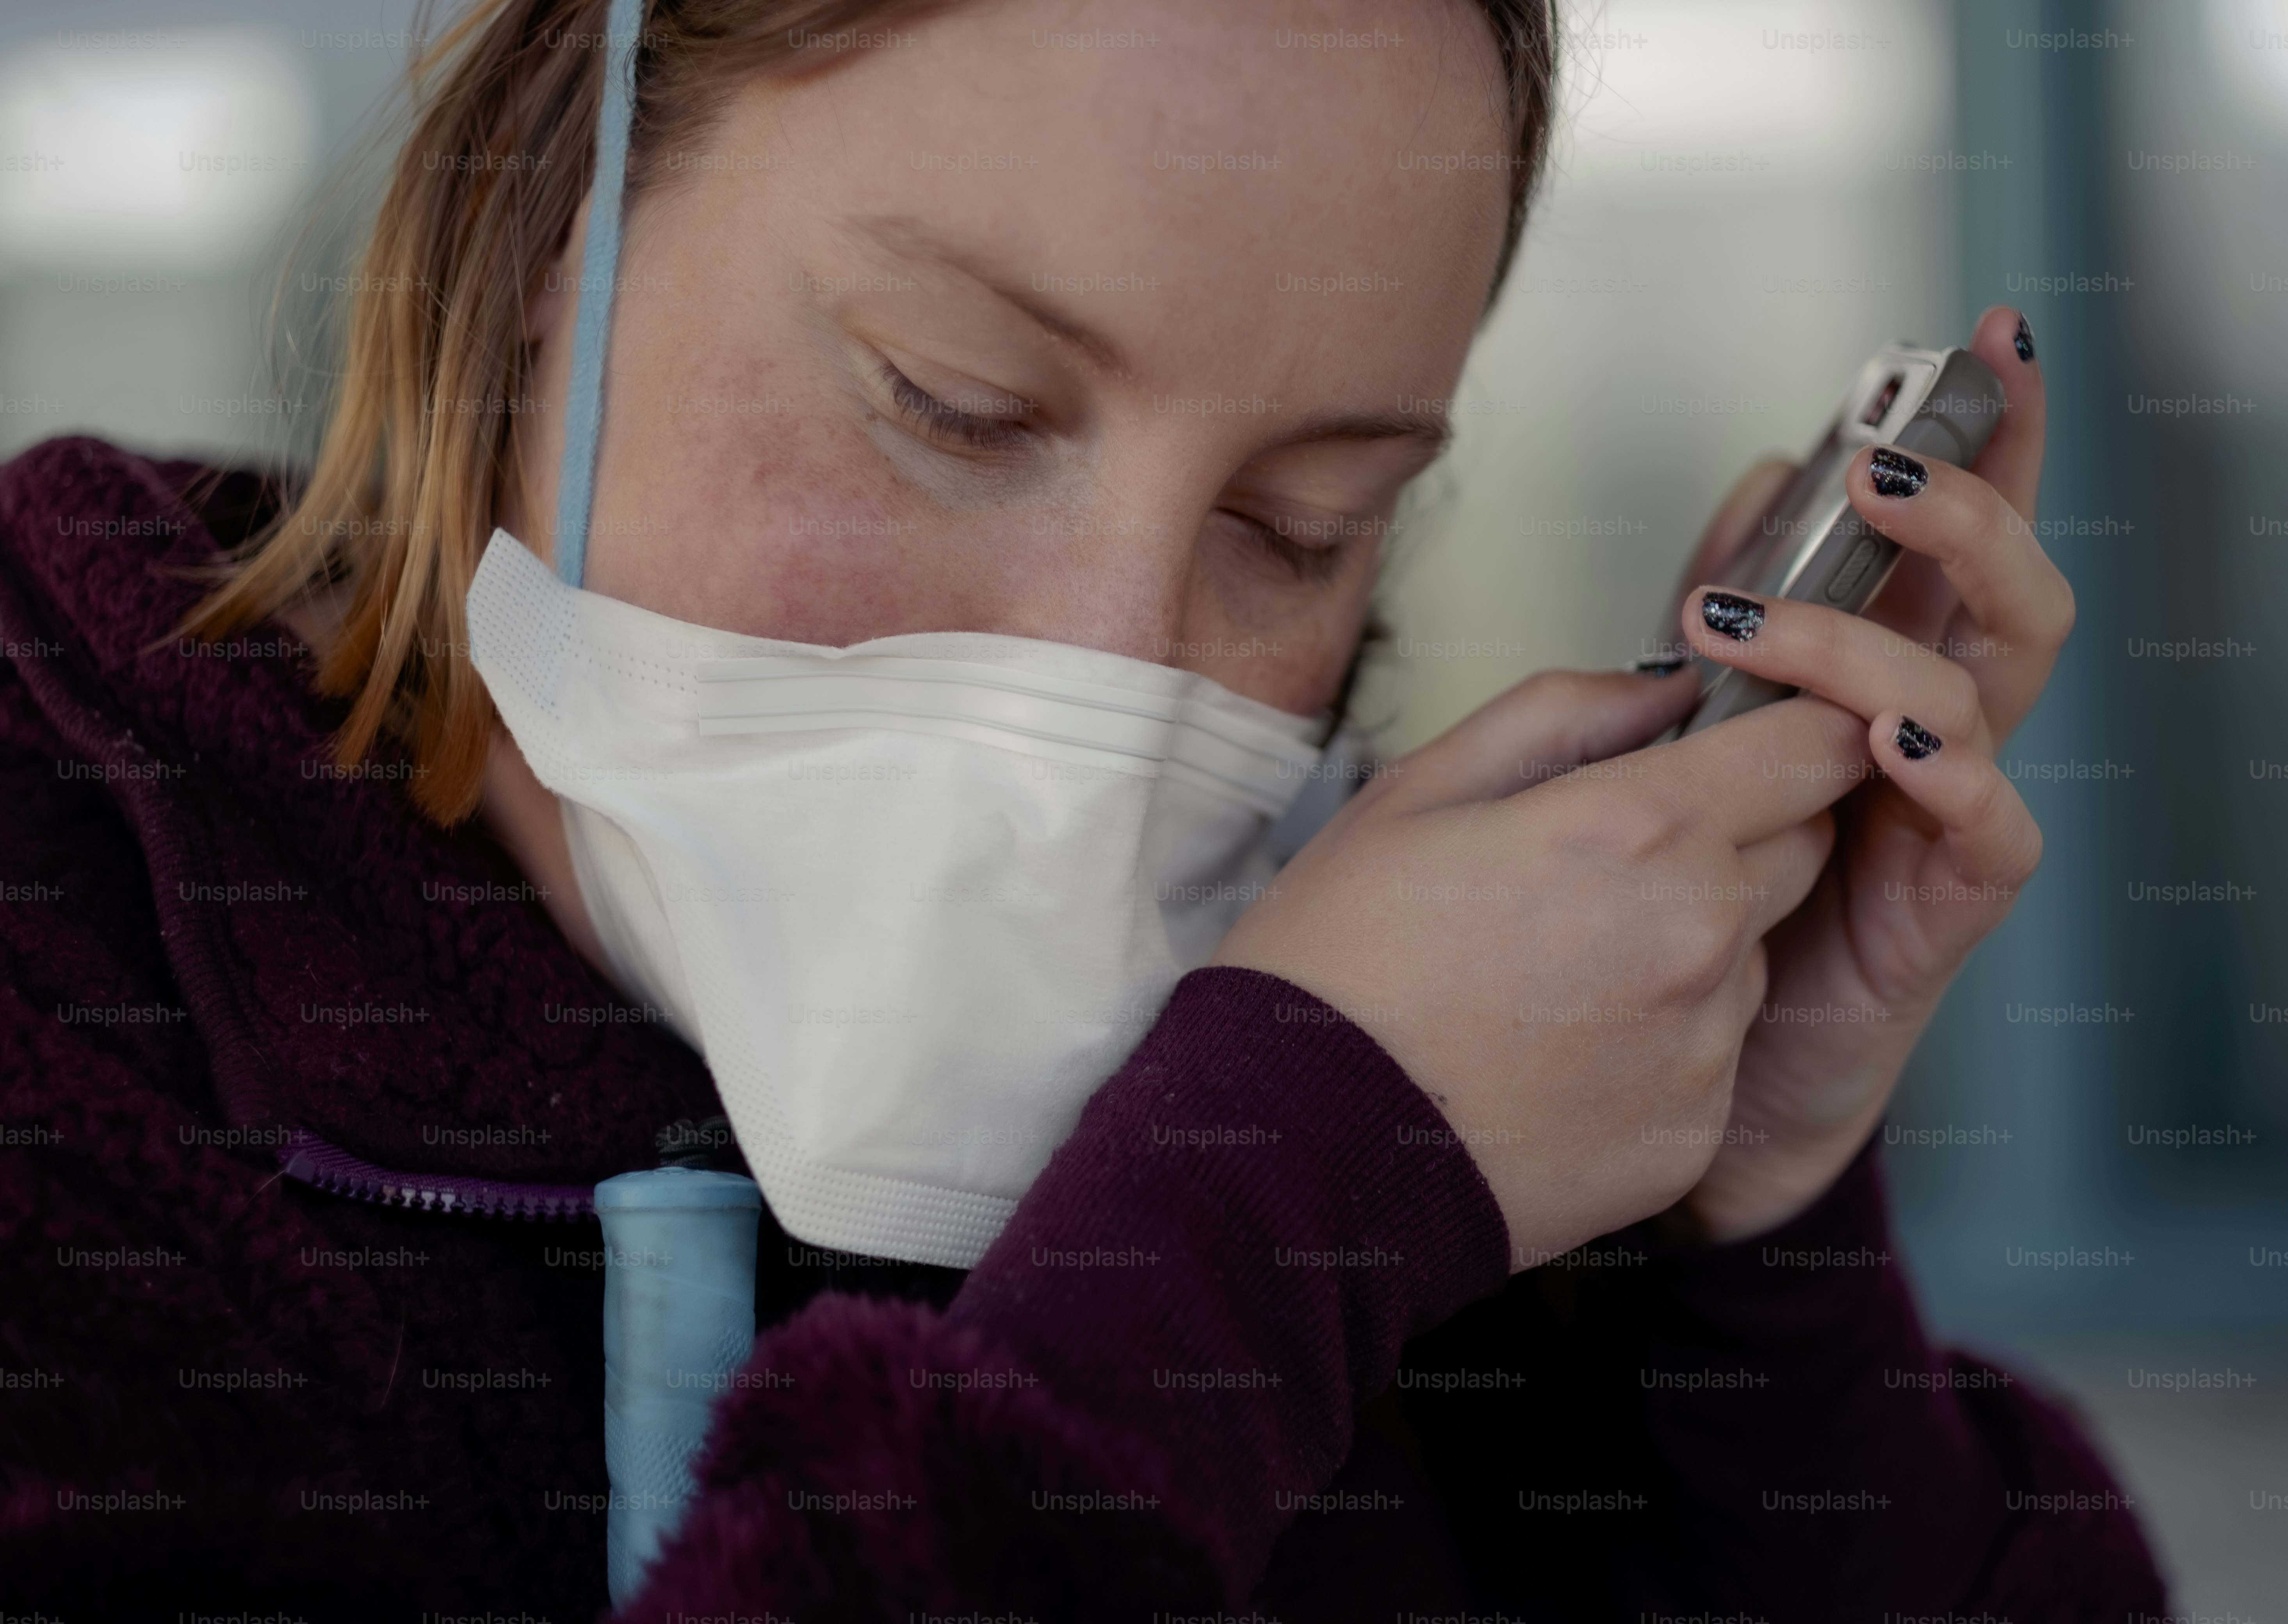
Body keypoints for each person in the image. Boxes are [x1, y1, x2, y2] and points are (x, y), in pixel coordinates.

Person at [0, 0, 2163, 1618]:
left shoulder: (1406, 1076)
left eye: (1300, 525)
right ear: (533, 246)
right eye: (959, 406)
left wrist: (1741, 1268)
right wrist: (1242, 1245)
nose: (1116, 663)